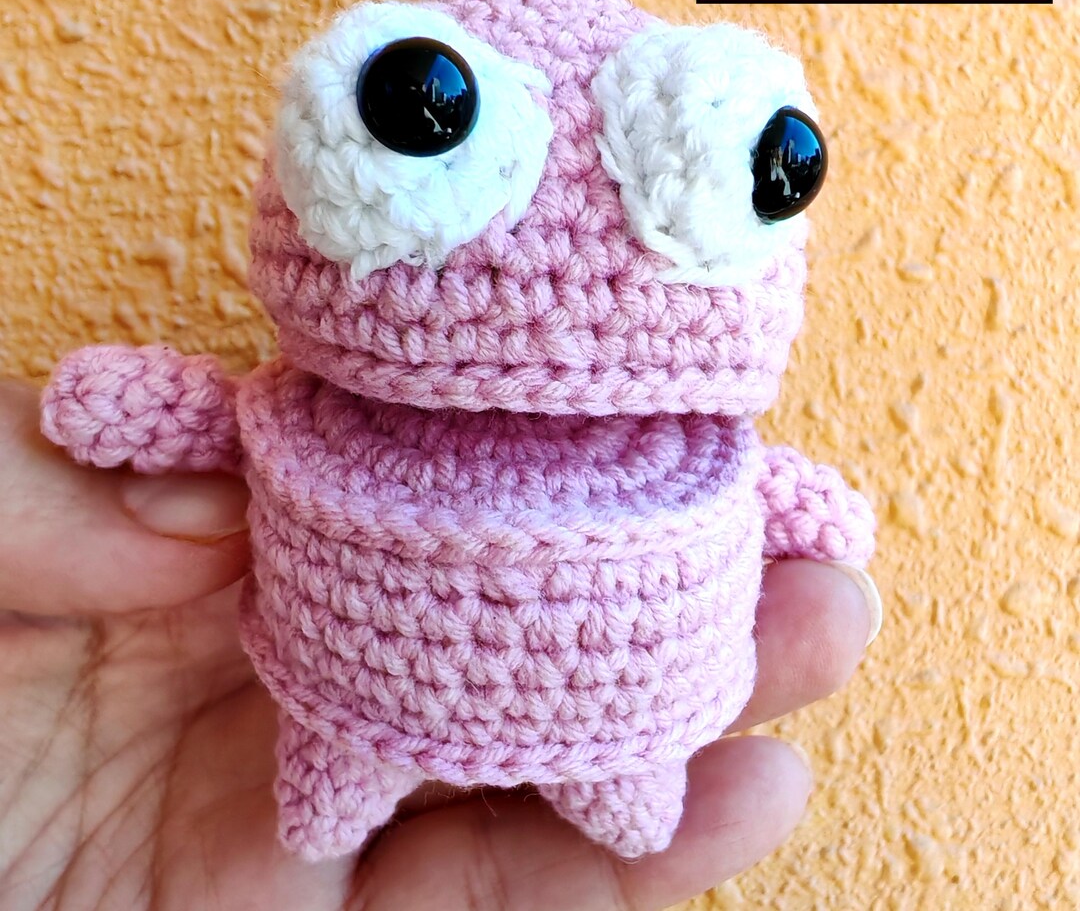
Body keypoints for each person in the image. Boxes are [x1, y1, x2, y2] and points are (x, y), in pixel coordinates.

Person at [0, 380, 881, 910]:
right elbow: (217, 419)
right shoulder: (302, 417)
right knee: (333, 791)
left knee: (644, 813)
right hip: (341, 702)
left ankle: (622, 777)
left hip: (618, 715)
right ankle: (357, 780)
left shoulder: (695, 452)